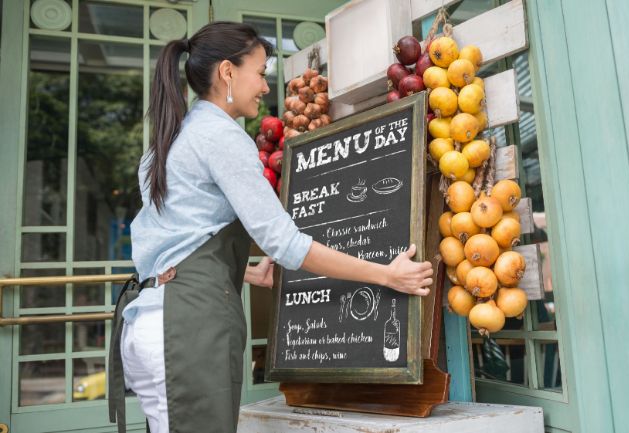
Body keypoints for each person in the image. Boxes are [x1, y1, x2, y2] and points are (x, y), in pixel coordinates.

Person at [107, 21, 433, 433]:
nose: (265, 87)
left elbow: (173, 247)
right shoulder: (222, 137)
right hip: (186, 332)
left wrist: (240, 270)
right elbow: (285, 244)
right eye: (260, 73)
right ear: (227, 72)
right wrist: (387, 275)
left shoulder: (167, 143)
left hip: (151, 324)